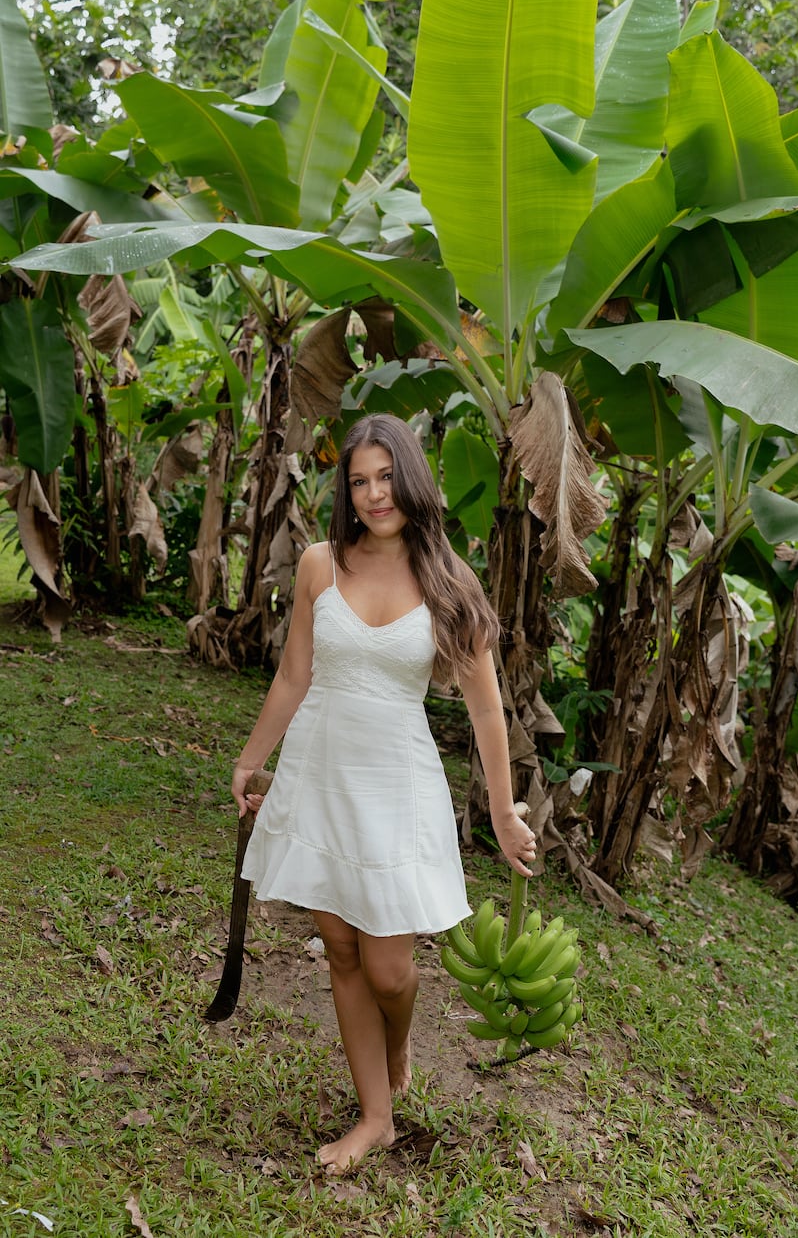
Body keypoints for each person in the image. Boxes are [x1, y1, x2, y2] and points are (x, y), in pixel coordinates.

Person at [231, 413, 537, 1174]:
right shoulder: (317, 565)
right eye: (357, 481)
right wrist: (252, 758)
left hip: (397, 785)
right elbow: (294, 676)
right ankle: (376, 1117)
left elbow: (485, 708)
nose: (373, 494)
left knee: (390, 970)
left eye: (384, 475)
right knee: (339, 948)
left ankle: (396, 1038)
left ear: (411, 476)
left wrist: (502, 812)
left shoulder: (447, 583)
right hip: (317, 772)